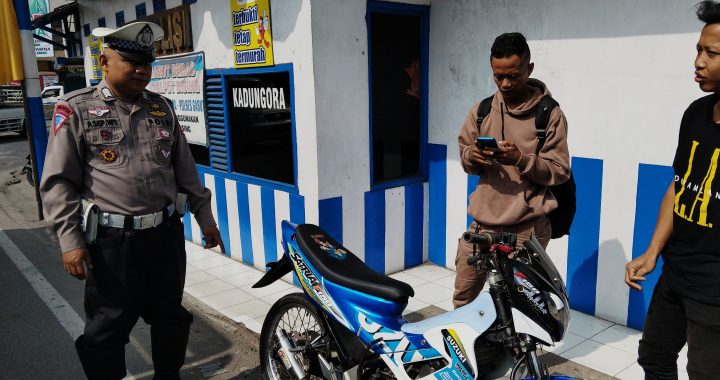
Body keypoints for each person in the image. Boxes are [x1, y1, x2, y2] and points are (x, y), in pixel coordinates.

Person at [39, 21, 225, 380]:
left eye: (147, 63)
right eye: (131, 61)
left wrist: (207, 219)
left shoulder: (162, 108)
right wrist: (69, 240)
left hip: (164, 235)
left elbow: (185, 172)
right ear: (106, 61)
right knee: (107, 328)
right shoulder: (76, 108)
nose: (142, 70)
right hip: (112, 244)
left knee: (170, 317)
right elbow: (58, 181)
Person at [625, 2, 720, 378]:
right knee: (654, 357)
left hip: (714, 294)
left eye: (711, 53)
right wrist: (653, 252)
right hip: (675, 273)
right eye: (699, 49)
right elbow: (679, 187)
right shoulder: (695, 114)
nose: (698, 61)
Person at [454, 32, 571, 308]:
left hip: (526, 231)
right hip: (482, 226)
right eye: (498, 76)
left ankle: (521, 353)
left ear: (529, 69)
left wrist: (521, 159)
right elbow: (464, 157)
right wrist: (474, 156)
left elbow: (559, 169)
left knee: (524, 308)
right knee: (464, 298)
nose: (505, 83)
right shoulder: (482, 111)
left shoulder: (549, 114)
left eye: (513, 76)